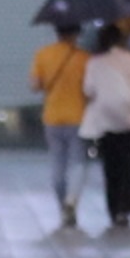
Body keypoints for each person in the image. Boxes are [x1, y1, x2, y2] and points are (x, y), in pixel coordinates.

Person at [79, 23, 130, 228]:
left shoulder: (94, 63)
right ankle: (126, 208)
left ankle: (113, 208)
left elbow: (88, 90)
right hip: (128, 118)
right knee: (127, 164)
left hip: (105, 121)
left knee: (110, 166)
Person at [29, 23, 90, 228]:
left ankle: (62, 206)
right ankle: (72, 200)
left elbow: (35, 86)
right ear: (76, 33)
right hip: (77, 117)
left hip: (52, 118)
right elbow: (89, 90)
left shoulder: (43, 54)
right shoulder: (84, 58)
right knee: (77, 162)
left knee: (57, 163)